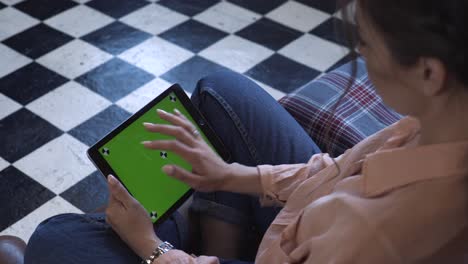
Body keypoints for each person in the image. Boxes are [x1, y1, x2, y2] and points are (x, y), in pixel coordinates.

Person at [24, 0, 468, 263]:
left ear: (430, 73)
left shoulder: (376, 237)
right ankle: (208, 227)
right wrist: (230, 175)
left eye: (366, 44)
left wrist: (154, 249)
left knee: (55, 238)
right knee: (222, 90)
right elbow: (340, 171)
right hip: (302, 224)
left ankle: (190, 238)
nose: (361, 55)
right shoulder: (437, 126)